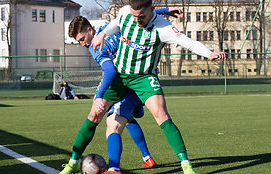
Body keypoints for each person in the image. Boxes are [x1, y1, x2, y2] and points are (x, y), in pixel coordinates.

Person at [91, 0, 226, 173]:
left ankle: (185, 163)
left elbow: (188, 42)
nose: (137, 21)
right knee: (98, 117)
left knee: (161, 115)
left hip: (144, 78)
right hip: (120, 76)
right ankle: (108, 167)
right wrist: (102, 35)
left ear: (152, 10)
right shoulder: (126, 13)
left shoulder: (163, 28)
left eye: (142, 17)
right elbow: (115, 25)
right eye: (134, 16)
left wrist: (208, 53)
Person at [60, 8, 184, 174]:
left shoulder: (96, 45)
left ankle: (112, 168)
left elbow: (110, 71)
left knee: (113, 120)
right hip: (130, 81)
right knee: (121, 118)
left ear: (90, 30)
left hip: (132, 82)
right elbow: (136, 14)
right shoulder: (110, 26)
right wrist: (165, 10)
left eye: (82, 39)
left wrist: (98, 96)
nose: (83, 44)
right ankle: (147, 157)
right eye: (79, 42)